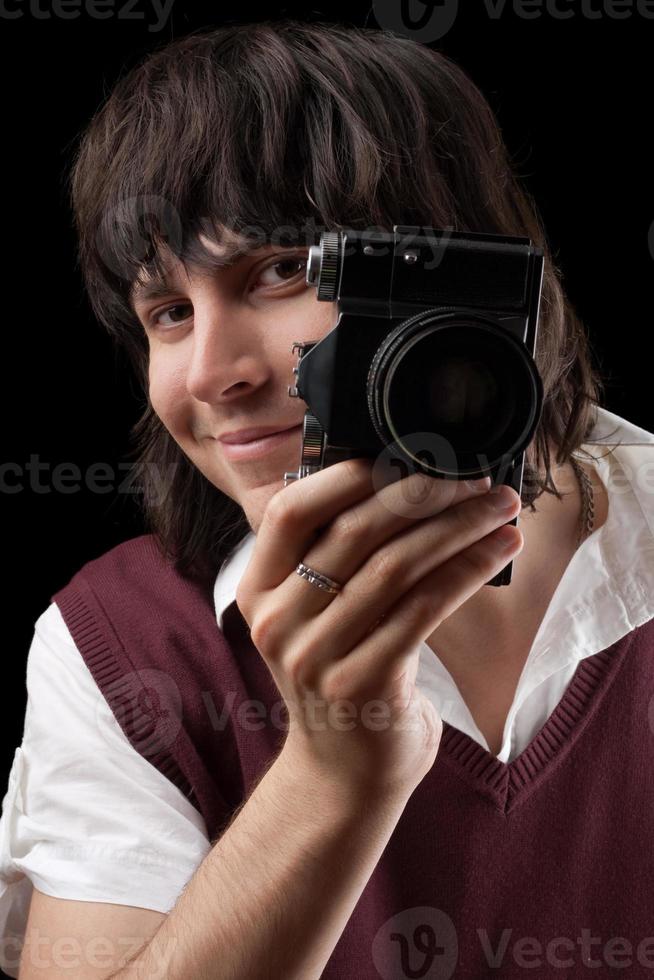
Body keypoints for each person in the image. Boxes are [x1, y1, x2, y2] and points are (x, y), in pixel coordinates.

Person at [2, 17, 654, 980]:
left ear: (471, 276)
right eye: (170, 313)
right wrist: (331, 777)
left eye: (280, 271)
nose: (212, 375)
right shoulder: (120, 647)